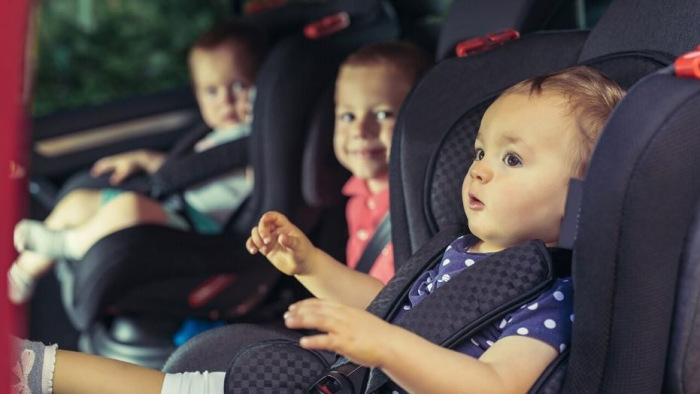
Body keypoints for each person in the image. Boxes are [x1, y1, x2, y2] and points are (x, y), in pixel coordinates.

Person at [10, 65, 625, 394]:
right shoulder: (458, 251)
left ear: (584, 197)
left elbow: (493, 386)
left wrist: (383, 347)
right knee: (180, 389)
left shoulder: (551, 300)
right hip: (354, 380)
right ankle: (32, 370)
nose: (481, 170)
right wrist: (308, 265)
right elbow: (384, 304)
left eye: (512, 159)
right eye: (482, 151)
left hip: (368, 377)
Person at [7, 18, 268, 304]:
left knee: (129, 206)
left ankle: (65, 244)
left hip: (200, 229)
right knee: (77, 201)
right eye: (212, 91)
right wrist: (142, 159)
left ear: (261, 88)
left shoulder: (258, 136)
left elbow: (262, 173)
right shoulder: (211, 136)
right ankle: (22, 274)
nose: (226, 101)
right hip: (174, 205)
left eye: (239, 87)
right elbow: (188, 171)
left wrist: (260, 115)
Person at [331, 41, 431, 284]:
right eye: (348, 116)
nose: (360, 130)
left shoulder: (418, 202)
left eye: (382, 114)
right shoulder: (355, 197)